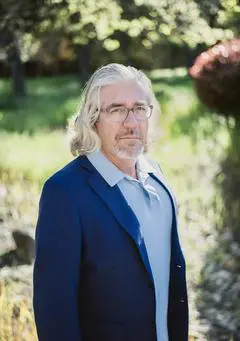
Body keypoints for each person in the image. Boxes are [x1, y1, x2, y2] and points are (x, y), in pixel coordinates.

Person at [33, 63, 188, 341]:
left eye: (140, 108)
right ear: (93, 119)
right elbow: (54, 311)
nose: (131, 122)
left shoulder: (158, 178)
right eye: (116, 109)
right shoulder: (65, 192)